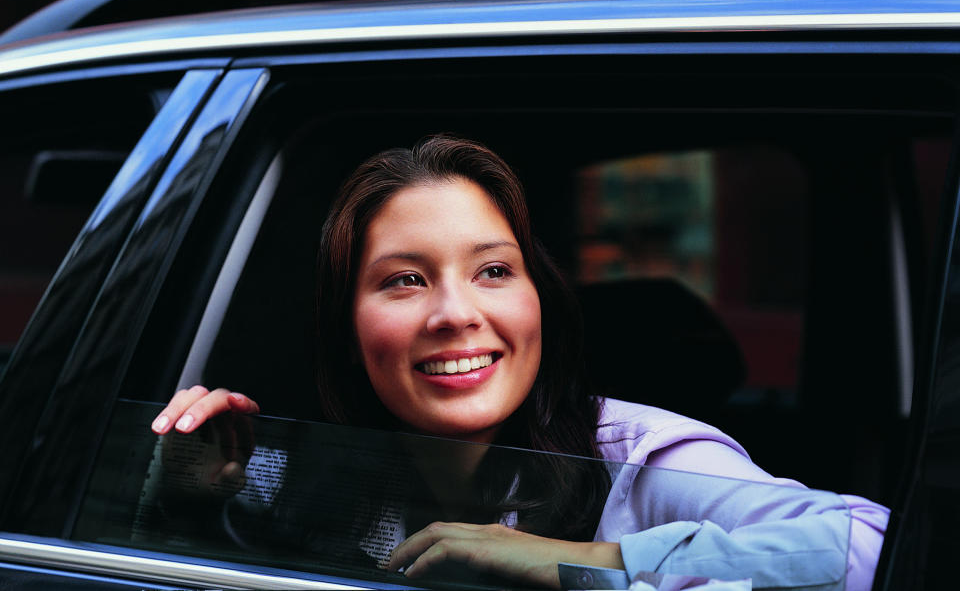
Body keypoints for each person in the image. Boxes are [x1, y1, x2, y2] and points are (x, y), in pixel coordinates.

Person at [151, 134, 888, 590]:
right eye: (405, 280)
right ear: (346, 325)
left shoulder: (644, 462)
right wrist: (182, 500)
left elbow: (868, 549)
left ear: (540, 299)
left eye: (494, 271)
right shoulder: (291, 470)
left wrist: (578, 561)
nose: (455, 314)